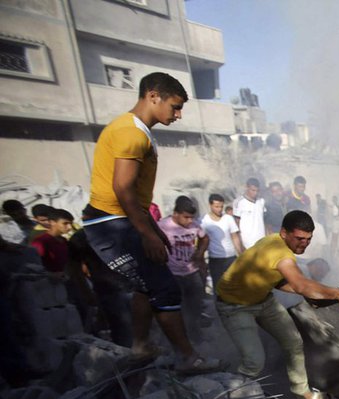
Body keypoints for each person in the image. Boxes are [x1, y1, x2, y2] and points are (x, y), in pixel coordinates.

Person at [80, 71, 220, 374]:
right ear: (153, 95)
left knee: (147, 285)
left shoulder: (135, 130)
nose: (179, 114)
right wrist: (147, 233)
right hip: (112, 222)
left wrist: (154, 229)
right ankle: (187, 357)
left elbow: (136, 196)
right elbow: (123, 188)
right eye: (175, 106)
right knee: (165, 288)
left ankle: (141, 345)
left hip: (117, 218)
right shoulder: (131, 133)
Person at [215, 210, 339, 399]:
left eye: (308, 239)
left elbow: (276, 281)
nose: (304, 244)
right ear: (284, 233)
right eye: (299, 238)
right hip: (234, 306)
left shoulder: (274, 241)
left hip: (263, 300)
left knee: (294, 343)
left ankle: (302, 392)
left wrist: (306, 292)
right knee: (254, 363)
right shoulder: (281, 254)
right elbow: (301, 284)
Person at [158, 196, 209, 343]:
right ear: (176, 214)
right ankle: (175, 340)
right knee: (175, 310)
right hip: (172, 275)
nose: (189, 221)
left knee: (195, 308)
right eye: (186, 217)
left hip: (192, 273)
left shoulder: (195, 225)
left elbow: (205, 238)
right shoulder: (162, 226)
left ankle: (196, 338)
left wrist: (199, 253)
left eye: (191, 218)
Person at [201, 193, 243, 287]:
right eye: (216, 206)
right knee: (218, 286)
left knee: (234, 285)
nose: (219, 209)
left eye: (221, 206)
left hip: (231, 257)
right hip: (215, 259)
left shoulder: (228, 218)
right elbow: (202, 240)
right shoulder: (204, 221)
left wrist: (240, 254)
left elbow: (235, 237)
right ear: (210, 205)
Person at [30, 208, 73, 274]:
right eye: (65, 223)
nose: (70, 227)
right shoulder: (41, 242)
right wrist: (51, 275)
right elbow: (33, 266)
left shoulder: (63, 240)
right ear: (52, 222)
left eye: (71, 223)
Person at [233, 177, 266, 250]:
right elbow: (236, 224)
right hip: (247, 242)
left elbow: (264, 220)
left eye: (257, 190)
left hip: (262, 240)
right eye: (253, 190)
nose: (255, 193)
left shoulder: (261, 201)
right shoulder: (239, 202)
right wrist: (240, 243)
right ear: (247, 187)